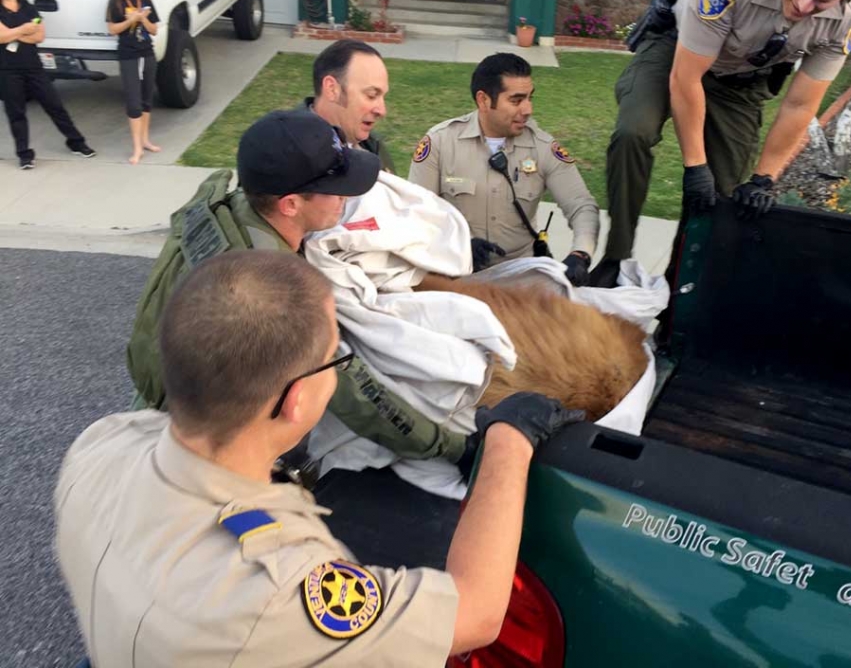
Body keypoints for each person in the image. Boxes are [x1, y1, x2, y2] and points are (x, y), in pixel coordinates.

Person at [56, 249, 585, 666]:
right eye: (335, 355)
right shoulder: (277, 591)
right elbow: (476, 612)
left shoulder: (101, 442)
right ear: (295, 399)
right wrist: (509, 441)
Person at [127, 109, 474, 483]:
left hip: (148, 410)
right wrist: (451, 445)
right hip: (198, 456)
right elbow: (348, 387)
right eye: (335, 187)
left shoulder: (228, 211)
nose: (347, 196)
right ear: (290, 204)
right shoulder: (269, 292)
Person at [588, 0, 851, 287]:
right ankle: (615, 256)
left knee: (721, 196)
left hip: (742, 80)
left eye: (822, 1)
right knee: (634, 131)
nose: (804, 5)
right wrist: (694, 166)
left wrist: (764, 178)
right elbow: (685, 78)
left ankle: (678, 292)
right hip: (677, 51)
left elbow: (800, 104)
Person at [408, 53, 600, 286]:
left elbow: (581, 205)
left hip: (520, 276)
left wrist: (580, 254)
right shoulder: (440, 143)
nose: (528, 109)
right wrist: (457, 243)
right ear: (484, 101)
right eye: (516, 100)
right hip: (454, 272)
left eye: (530, 98)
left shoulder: (542, 147)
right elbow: (416, 212)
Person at [0, 0, 96, 170]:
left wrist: (14, 32)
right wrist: (25, 30)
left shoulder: (28, 8)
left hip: (34, 67)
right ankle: (24, 155)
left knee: (55, 106)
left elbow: (39, 36)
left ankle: (77, 143)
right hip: (7, 70)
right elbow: (1, 37)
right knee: (16, 113)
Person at [301, 39, 396, 172]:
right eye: (371, 95)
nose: (382, 111)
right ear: (332, 89)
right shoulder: (287, 154)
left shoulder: (372, 146)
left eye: (382, 96)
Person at [106, 0, 160, 165]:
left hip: (147, 53)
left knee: (147, 98)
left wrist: (142, 19)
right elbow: (112, 29)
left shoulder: (146, 1)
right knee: (133, 101)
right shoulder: (115, 2)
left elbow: (154, 30)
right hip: (128, 55)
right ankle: (137, 147)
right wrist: (131, 21)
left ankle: (145, 140)